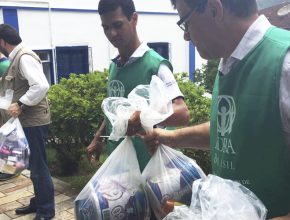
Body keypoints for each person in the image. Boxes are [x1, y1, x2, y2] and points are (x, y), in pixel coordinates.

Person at [140, 0, 290, 219]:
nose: (186, 36)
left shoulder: (284, 64)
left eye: (185, 23)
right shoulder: (229, 62)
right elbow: (230, 130)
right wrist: (168, 138)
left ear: (213, 9)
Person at [86, 0, 189, 173]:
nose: (112, 33)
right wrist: (98, 137)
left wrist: (143, 117)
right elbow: (116, 109)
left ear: (134, 19)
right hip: (120, 162)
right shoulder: (114, 65)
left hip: (149, 163)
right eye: (106, 28)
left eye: (118, 25)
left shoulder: (156, 65)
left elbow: (182, 113)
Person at [0, 24, 54, 220]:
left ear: (2, 42)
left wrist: (21, 104)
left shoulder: (23, 57)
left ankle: (46, 210)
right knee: (33, 165)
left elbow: (41, 85)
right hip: (27, 121)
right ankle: (39, 202)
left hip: (34, 121)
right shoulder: (17, 57)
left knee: (39, 166)